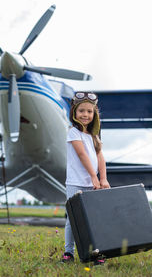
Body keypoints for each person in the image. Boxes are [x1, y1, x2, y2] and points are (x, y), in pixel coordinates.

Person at [62, 91, 110, 264]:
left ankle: (97, 252)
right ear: (74, 112)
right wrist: (93, 176)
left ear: (94, 114)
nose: (85, 115)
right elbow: (82, 155)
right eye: (81, 110)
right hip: (76, 184)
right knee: (73, 219)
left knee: (94, 219)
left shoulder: (93, 136)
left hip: (94, 184)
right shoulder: (73, 133)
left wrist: (102, 178)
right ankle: (68, 253)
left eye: (89, 111)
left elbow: (100, 157)